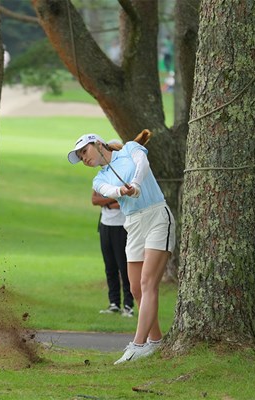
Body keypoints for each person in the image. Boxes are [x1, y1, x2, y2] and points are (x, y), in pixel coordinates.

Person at [67, 130, 175, 364]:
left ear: (97, 144)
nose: (84, 158)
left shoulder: (129, 149)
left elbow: (142, 163)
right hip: (133, 224)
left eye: (84, 151)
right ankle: (156, 342)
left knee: (147, 283)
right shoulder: (99, 178)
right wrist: (122, 191)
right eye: (80, 156)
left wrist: (135, 183)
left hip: (157, 216)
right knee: (136, 289)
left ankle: (138, 344)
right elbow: (107, 191)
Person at [92, 140, 134, 318]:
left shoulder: (125, 172)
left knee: (123, 266)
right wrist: (111, 199)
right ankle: (114, 303)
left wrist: (108, 199)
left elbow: (123, 201)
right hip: (105, 225)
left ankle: (129, 305)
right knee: (109, 266)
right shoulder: (102, 176)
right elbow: (95, 200)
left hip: (120, 226)